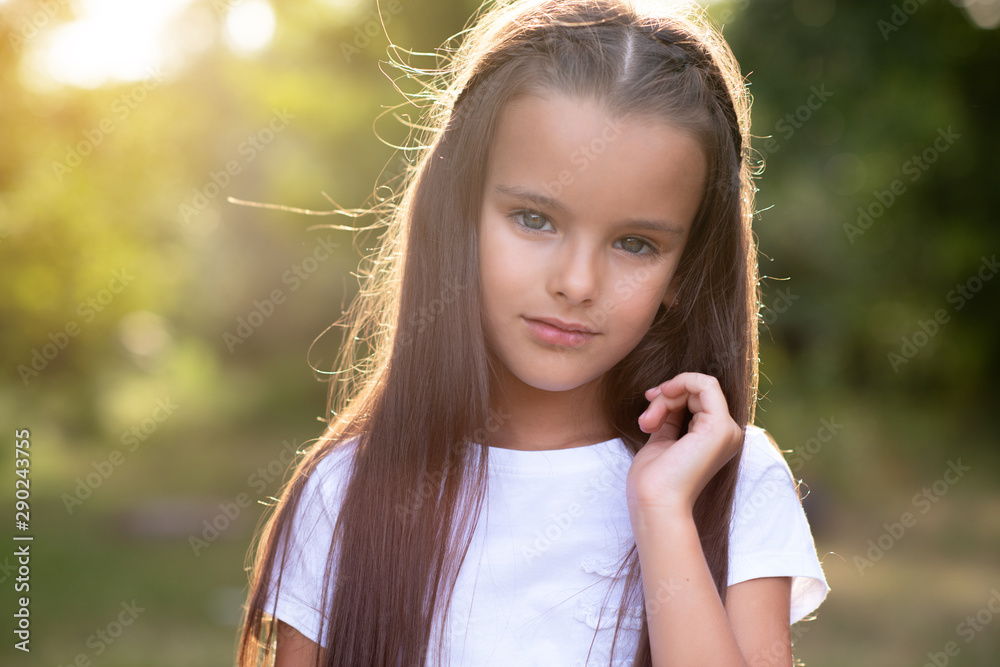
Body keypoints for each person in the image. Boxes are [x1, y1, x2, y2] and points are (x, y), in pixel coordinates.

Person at [237, 0, 830, 665]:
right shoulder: (348, 490)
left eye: (634, 243)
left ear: (683, 270)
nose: (577, 282)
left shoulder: (731, 481)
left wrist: (664, 514)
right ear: (461, 212)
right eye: (535, 219)